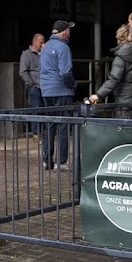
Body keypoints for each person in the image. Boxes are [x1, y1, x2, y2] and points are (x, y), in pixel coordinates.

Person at [89, 24, 132, 120]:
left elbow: (114, 79)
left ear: (120, 38)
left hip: (124, 102)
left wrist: (98, 95)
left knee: (124, 130)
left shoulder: (121, 57)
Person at [39, 20, 76, 169]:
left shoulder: (46, 46)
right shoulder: (63, 47)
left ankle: (46, 160)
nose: (69, 33)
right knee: (63, 126)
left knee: (49, 125)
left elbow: (41, 67)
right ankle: (61, 161)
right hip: (61, 90)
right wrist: (73, 85)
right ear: (64, 32)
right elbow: (66, 72)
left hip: (46, 90)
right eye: (69, 30)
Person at [18, 33, 44, 139]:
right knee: (35, 107)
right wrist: (31, 84)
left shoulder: (42, 54)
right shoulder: (27, 54)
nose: (42, 45)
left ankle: (43, 130)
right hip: (35, 86)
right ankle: (36, 132)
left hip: (44, 86)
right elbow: (23, 71)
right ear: (34, 42)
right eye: (41, 42)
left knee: (44, 108)